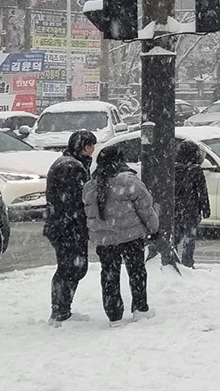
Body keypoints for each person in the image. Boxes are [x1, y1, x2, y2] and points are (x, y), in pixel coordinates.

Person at [83, 145, 158, 325]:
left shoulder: (90, 187)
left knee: (109, 275)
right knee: (137, 272)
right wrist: (153, 229)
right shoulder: (129, 182)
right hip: (131, 237)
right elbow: (146, 209)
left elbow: (89, 213)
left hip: (105, 240)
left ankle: (114, 314)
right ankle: (140, 308)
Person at [43, 130, 95, 325]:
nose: (93, 150)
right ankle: (61, 310)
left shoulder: (65, 162)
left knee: (71, 267)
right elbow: (78, 200)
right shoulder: (72, 167)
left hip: (61, 225)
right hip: (69, 226)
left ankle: (62, 309)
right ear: (84, 146)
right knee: (71, 268)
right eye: (91, 145)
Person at [172, 140, 211, 268]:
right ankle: (188, 263)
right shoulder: (196, 171)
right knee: (189, 238)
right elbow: (202, 192)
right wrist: (205, 208)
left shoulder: (174, 169)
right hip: (191, 209)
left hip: (176, 209)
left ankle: (173, 261)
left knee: (175, 237)